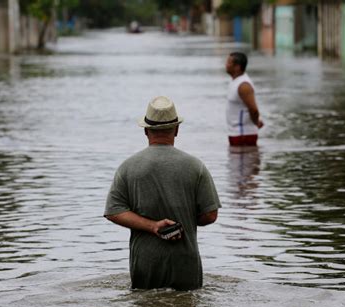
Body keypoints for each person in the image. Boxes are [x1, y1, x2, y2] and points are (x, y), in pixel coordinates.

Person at [104, 96, 221, 291]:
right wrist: (184, 220)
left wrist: (153, 226)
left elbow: (113, 211)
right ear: (176, 129)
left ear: (145, 130)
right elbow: (210, 215)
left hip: (146, 265)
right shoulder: (195, 166)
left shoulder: (128, 167)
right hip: (186, 264)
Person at [225, 52, 264, 146]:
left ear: (237, 67)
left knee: (247, 160)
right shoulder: (235, 81)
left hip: (244, 134)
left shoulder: (244, 86)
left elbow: (253, 109)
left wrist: (256, 122)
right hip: (236, 133)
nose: (225, 65)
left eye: (228, 62)